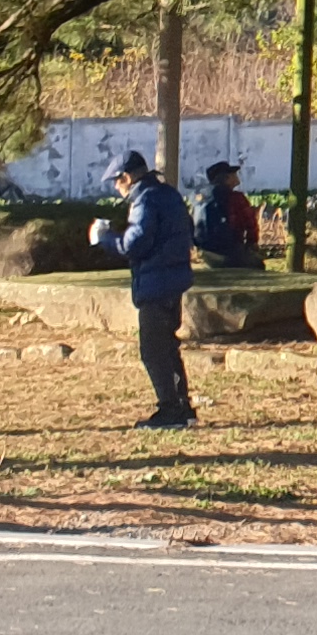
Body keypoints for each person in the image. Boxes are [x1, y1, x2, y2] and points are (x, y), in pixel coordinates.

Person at [92, 150, 197, 429]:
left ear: (127, 177)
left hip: (155, 282)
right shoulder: (168, 194)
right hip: (174, 279)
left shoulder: (145, 200)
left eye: (117, 181)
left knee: (153, 350)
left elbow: (134, 244)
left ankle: (170, 410)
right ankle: (183, 406)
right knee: (168, 346)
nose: (117, 188)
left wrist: (104, 238)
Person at [195, 159, 264, 270]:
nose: (237, 176)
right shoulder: (237, 199)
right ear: (227, 178)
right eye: (234, 174)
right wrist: (252, 243)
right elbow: (251, 225)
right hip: (230, 251)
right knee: (258, 265)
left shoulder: (200, 198)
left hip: (206, 252)